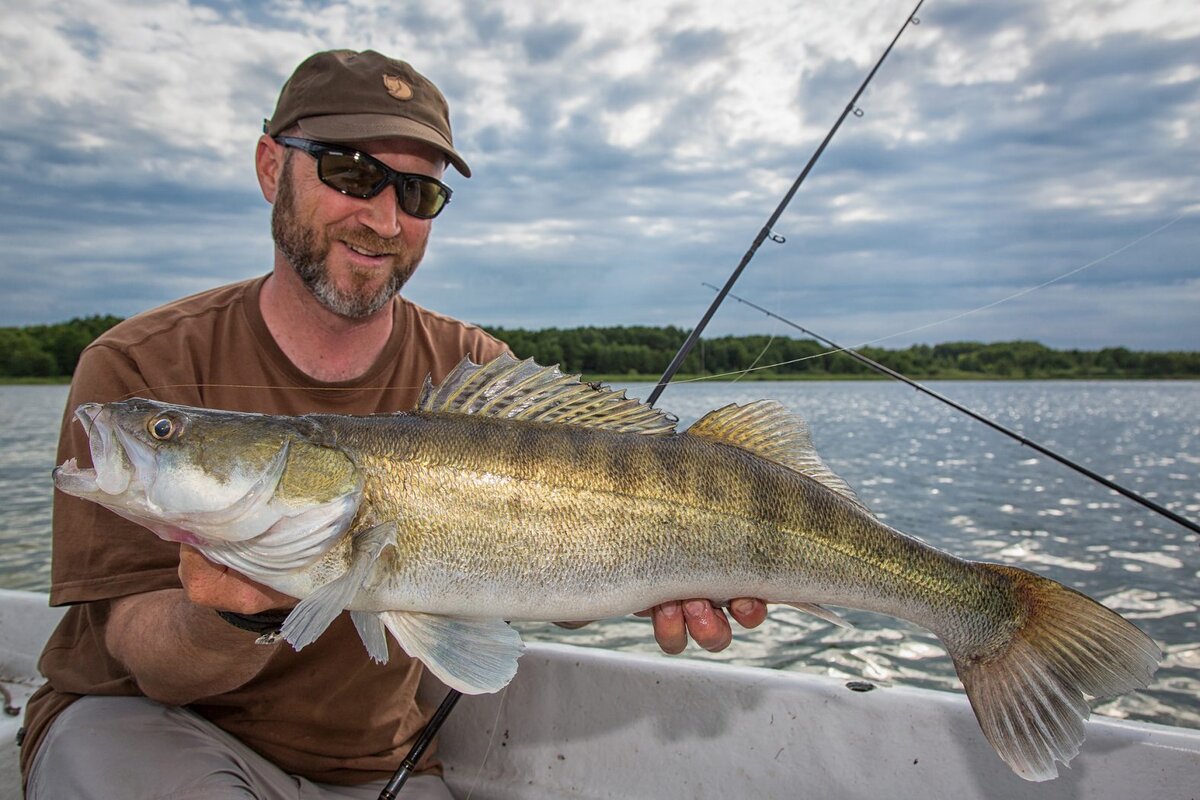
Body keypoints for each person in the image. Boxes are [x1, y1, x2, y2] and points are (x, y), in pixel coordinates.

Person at [19, 49, 768, 799]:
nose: (383, 218)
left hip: (380, 767)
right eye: (349, 171)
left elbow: (525, 587)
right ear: (271, 167)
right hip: (149, 728)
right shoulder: (139, 365)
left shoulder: (476, 373)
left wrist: (656, 576)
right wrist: (238, 612)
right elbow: (151, 666)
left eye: (417, 193)